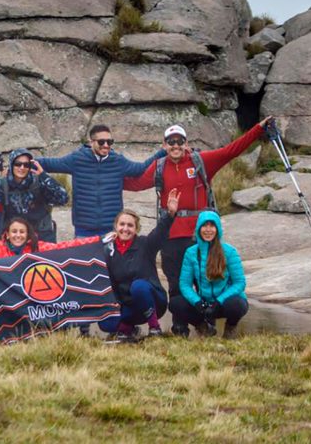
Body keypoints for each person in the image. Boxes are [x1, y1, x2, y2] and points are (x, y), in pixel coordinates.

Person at [122, 118, 271, 336]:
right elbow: (134, 184)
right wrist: (98, 172)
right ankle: (180, 324)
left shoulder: (201, 161)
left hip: (201, 235)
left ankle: (208, 321)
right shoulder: (159, 166)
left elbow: (231, 151)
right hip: (170, 236)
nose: (175, 146)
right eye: (170, 142)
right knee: (175, 283)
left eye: (179, 141)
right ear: (164, 145)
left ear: (186, 143)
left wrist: (258, 129)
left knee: (204, 279)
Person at [37, 124, 164, 239]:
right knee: (84, 265)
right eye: (102, 142)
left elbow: (141, 169)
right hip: (84, 229)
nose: (106, 145)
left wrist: (163, 152)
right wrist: (21, 158)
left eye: (110, 142)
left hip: (111, 229)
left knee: (111, 265)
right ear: (91, 142)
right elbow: (49, 164)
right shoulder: (76, 160)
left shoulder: (118, 161)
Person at [100, 189, 178, 343]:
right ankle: (128, 328)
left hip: (153, 301)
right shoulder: (108, 250)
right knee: (106, 323)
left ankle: (155, 328)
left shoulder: (145, 244)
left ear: (136, 229)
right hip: (128, 304)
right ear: (116, 226)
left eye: (130, 225)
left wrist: (169, 214)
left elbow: (159, 233)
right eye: (122, 224)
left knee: (139, 286)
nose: (125, 229)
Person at [169, 210, 248, 339]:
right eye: (204, 226)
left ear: (217, 229)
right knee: (175, 303)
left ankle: (230, 328)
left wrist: (219, 301)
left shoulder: (229, 251)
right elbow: (184, 284)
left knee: (237, 305)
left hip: (223, 302)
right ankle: (203, 327)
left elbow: (240, 283)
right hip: (203, 303)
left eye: (212, 226)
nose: (208, 230)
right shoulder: (191, 253)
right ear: (199, 228)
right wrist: (197, 302)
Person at [0, 148, 69, 243]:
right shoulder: (1, 185)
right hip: (15, 239)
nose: (22, 167)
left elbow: (63, 198)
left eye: (26, 165)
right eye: (18, 164)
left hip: (41, 237)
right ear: (11, 164)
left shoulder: (38, 182)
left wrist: (44, 176)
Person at [0, 214, 100, 259]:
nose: (17, 235)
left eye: (21, 232)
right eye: (14, 232)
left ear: (27, 235)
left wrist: (99, 239)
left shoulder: (38, 248)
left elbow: (65, 246)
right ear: (7, 234)